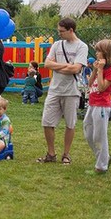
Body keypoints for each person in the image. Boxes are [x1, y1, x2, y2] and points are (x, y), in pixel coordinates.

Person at [38, 18, 88, 165]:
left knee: (70, 124)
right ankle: (51, 153)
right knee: (47, 122)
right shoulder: (57, 45)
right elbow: (47, 63)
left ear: (71, 30)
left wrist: (57, 66)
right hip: (54, 89)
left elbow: (76, 68)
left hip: (72, 91)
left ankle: (66, 154)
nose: (59, 34)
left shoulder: (82, 47)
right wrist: (66, 65)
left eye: (62, 31)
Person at [83, 39, 111, 174]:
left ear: (106, 53)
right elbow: (91, 83)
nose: (96, 53)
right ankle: (105, 157)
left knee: (99, 136)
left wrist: (101, 70)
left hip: (102, 105)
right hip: (93, 103)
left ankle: (101, 166)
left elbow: (103, 87)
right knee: (88, 132)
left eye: (99, 51)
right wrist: (95, 70)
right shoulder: (100, 68)